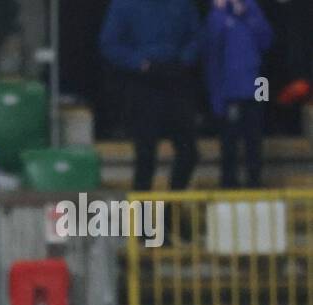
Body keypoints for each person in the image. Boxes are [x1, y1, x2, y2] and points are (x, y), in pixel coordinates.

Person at [100, 0, 203, 191]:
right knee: (146, 156)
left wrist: (184, 59)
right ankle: (142, 219)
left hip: (176, 81)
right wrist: (138, 63)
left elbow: (197, 37)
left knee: (189, 153)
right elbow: (109, 43)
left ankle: (172, 212)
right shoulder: (124, 5)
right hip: (143, 85)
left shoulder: (183, 4)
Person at [205, 0, 273, 188]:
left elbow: (266, 42)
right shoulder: (217, 16)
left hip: (256, 88)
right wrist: (216, 98)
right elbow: (213, 60)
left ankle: (255, 182)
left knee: (254, 141)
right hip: (230, 92)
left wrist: (248, 15)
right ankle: (228, 184)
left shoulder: (253, 9)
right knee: (229, 142)